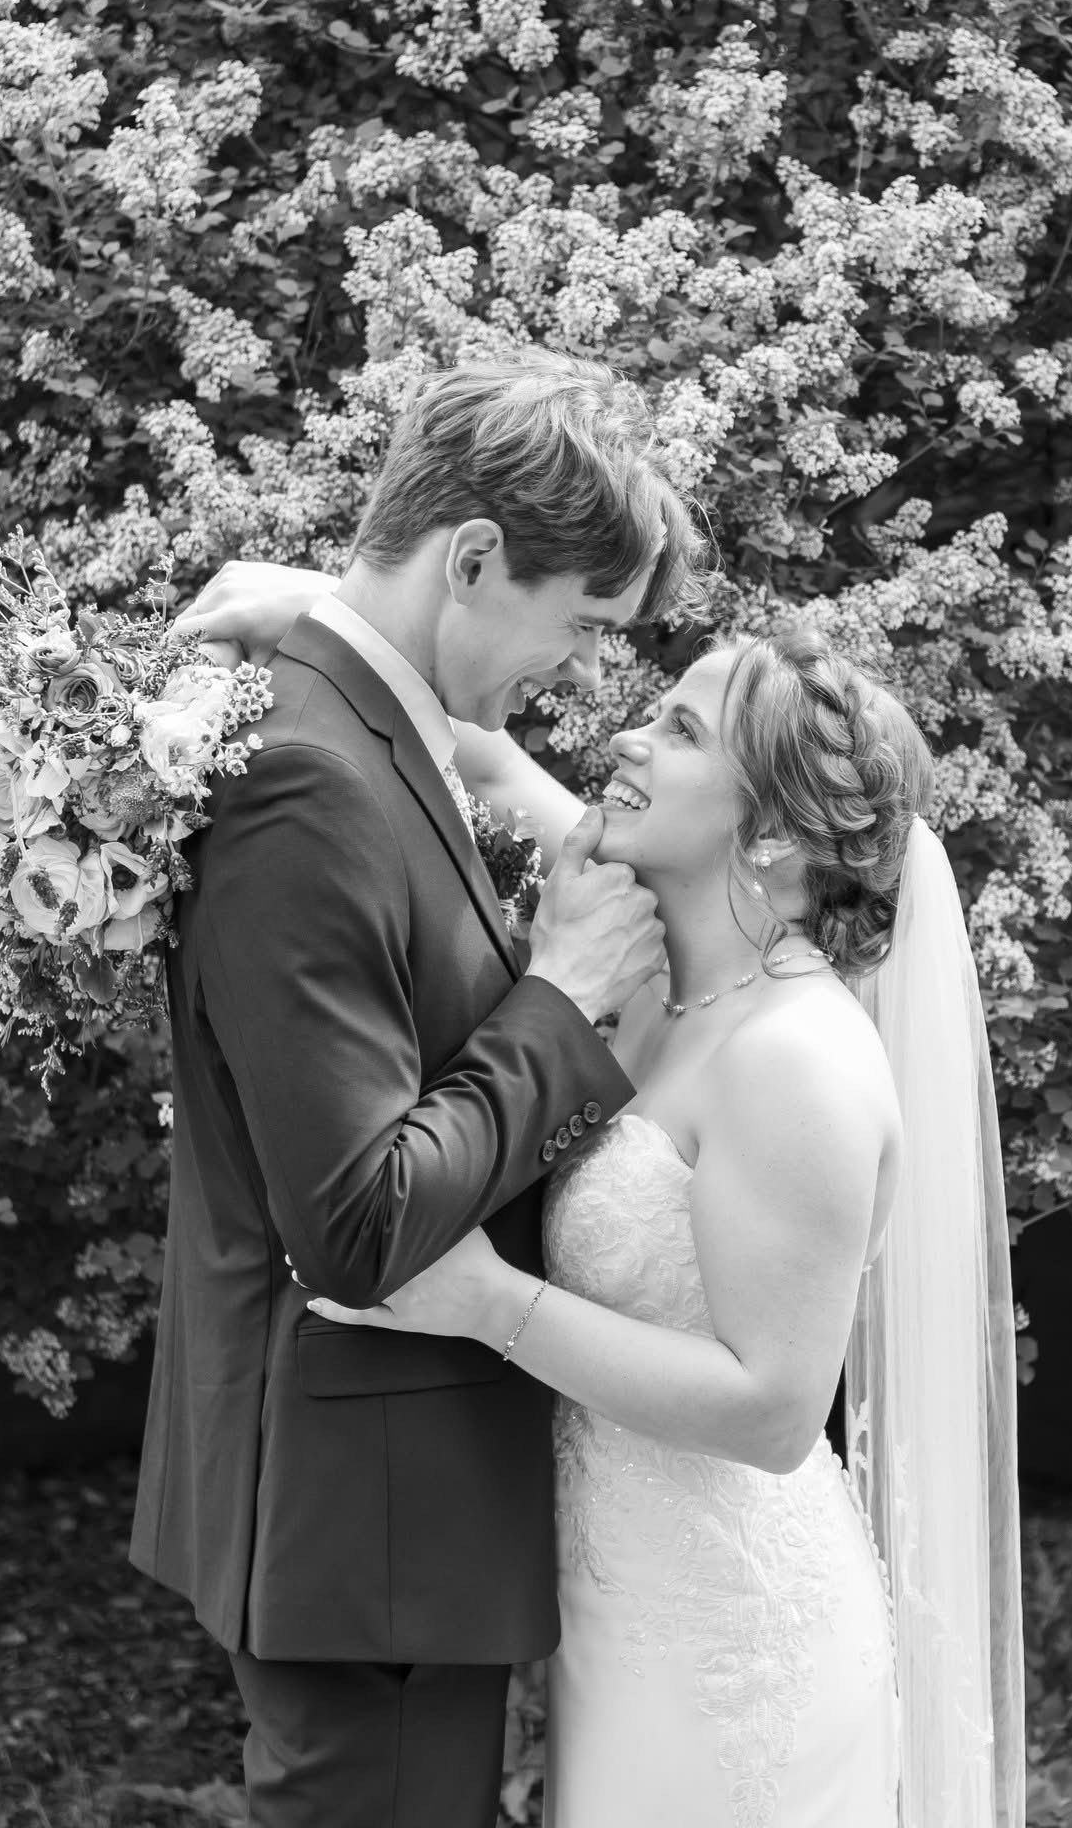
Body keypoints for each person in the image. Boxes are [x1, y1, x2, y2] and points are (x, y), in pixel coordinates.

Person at [193, 567, 1026, 1828]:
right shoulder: (641, 980)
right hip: (613, 1607)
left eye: (681, 730)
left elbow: (773, 1408)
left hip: (736, 1636)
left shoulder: (793, 1055)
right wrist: (324, 604)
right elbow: (469, 747)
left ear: (768, 836)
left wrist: (485, 1301)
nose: (627, 737)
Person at [129, 349, 710, 1828]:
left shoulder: (367, 722)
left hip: (391, 1516)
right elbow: (362, 1223)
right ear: (471, 558)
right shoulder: (310, 777)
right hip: (365, 1520)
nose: (576, 670)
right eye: (578, 624)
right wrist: (562, 994)